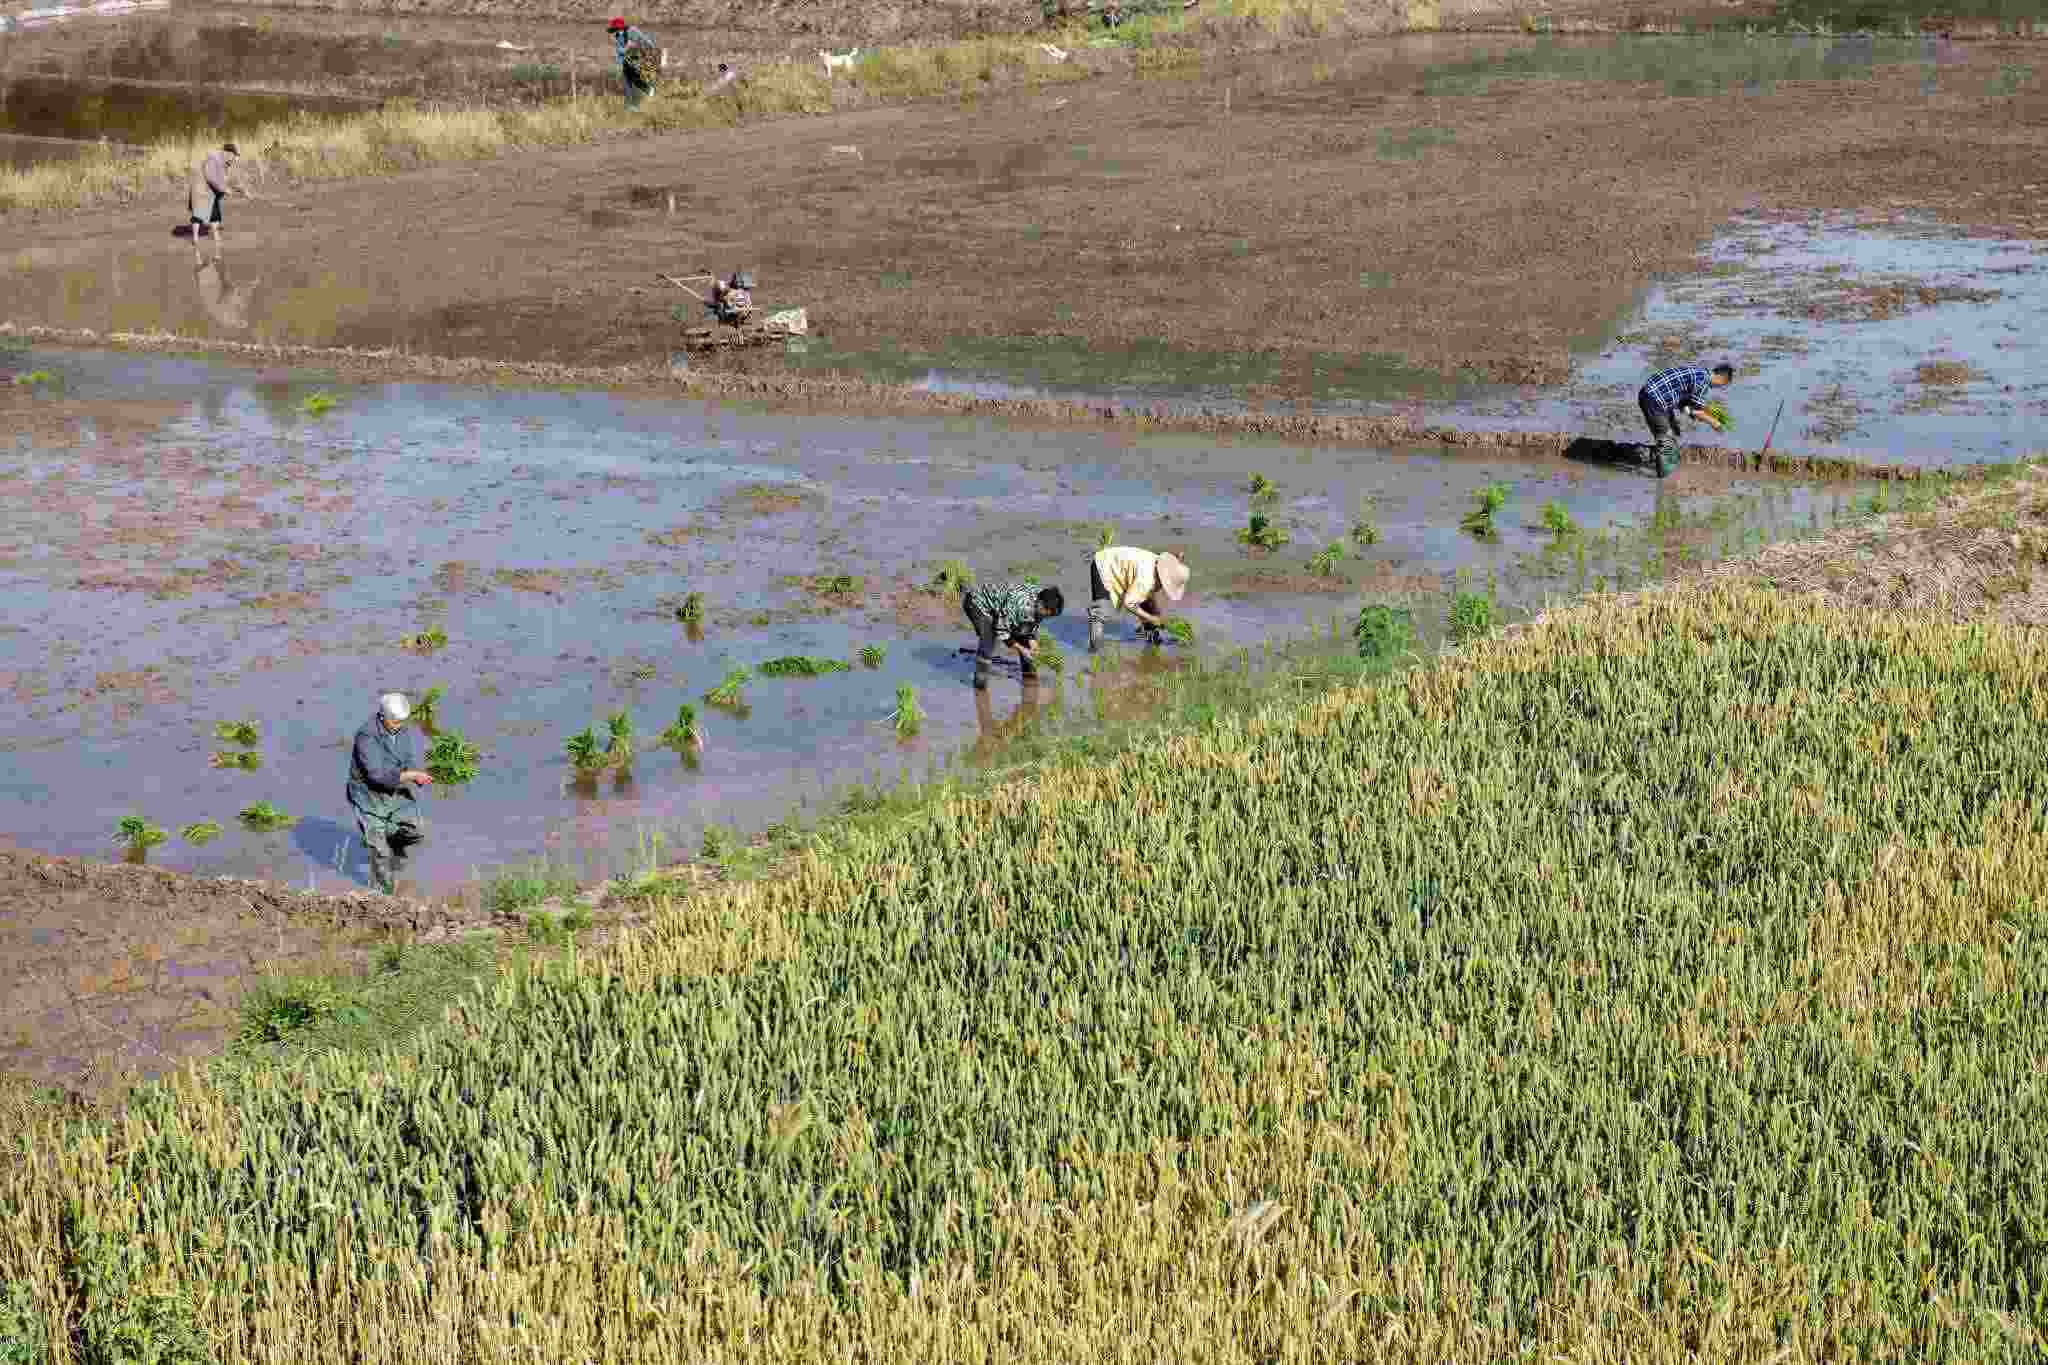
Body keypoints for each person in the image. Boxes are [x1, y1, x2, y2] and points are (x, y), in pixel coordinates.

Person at [346, 692, 433, 894]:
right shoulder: (367, 736)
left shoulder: (400, 730)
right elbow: (377, 776)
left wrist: (416, 774)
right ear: (382, 716)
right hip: (369, 794)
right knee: (380, 852)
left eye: (402, 722)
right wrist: (410, 775)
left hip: (395, 789)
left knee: (416, 830)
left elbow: (407, 759)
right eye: (395, 722)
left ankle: (391, 845)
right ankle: (385, 894)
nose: (399, 726)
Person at [963, 579, 1064, 690]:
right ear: (1040, 604)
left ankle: (1029, 681)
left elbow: (1032, 623)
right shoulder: (1020, 605)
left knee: (1025, 638)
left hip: (1001, 607)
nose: (1046, 617)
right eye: (1046, 614)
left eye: (1049, 616)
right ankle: (980, 684)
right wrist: (1022, 649)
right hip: (976, 603)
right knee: (989, 638)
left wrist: (1032, 640)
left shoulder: (1043, 598)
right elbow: (1001, 631)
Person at [1638, 360, 1734, 478]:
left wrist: (1692, 412)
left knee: (1674, 431)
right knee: (1666, 438)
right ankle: (1664, 477)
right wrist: (1714, 423)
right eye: (1722, 385)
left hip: (1654, 395)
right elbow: (1697, 410)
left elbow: (1685, 404)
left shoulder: (1699, 373)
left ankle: (1665, 462)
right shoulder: (1703, 381)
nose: (1718, 387)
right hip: (1654, 399)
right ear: (1722, 378)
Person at [1088, 545, 1189, 652]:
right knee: (1101, 610)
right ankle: (1094, 649)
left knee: (1150, 607)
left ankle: (1153, 640)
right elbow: (1129, 604)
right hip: (1103, 564)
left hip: (1120, 563)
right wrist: (1152, 619)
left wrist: (1153, 616)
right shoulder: (1146, 580)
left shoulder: (1159, 564)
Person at [188, 142, 238, 265]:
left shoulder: (223, 162)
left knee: (213, 217)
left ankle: (215, 244)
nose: (233, 158)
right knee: (199, 216)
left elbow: (225, 179)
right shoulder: (214, 158)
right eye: (233, 155)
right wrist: (223, 189)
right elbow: (210, 177)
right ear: (228, 153)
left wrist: (239, 190)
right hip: (202, 190)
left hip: (209, 191)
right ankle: (196, 239)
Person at [608, 18, 661, 109]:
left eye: (616, 29)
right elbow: (619, 51)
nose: (615, 32)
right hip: (626, 61)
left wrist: (649, 49)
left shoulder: (633, 31)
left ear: (621, 28)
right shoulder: (617, 37)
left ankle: (646, 90)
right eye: (614, 30)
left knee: (634, 79)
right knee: (627, 82)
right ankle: (631, 105)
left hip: (637, 58)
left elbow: (645, 41)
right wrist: (625, 49)